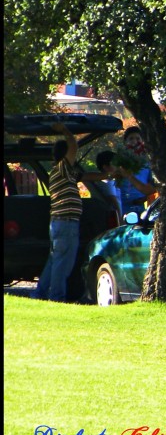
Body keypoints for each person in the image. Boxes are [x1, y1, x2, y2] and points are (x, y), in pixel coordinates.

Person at [32, 123, 108, 302]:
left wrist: (110, 175)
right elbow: (73, 144)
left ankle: (40, 293)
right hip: (66, 222)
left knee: (54, 261)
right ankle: (57, 297)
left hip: (60, 223)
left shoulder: (65, 173)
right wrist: (65, 131)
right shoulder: (62, 167)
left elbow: (87, 176)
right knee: (63, 263)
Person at [117, 126, 157, 215]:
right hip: (122, 205)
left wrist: (144, 198)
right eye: (131, 138)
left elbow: (153, 186)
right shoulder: (120, 162)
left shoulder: (147, 163)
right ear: (125, 142)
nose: (134, 141)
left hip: (140, 205)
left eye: (138, 138)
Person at [93, 150, 123, 224]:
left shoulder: (110, 181)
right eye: (115, 163)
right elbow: (115, 202)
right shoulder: (107, 182)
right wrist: (121, 220)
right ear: (105, 167)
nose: (118, 166)